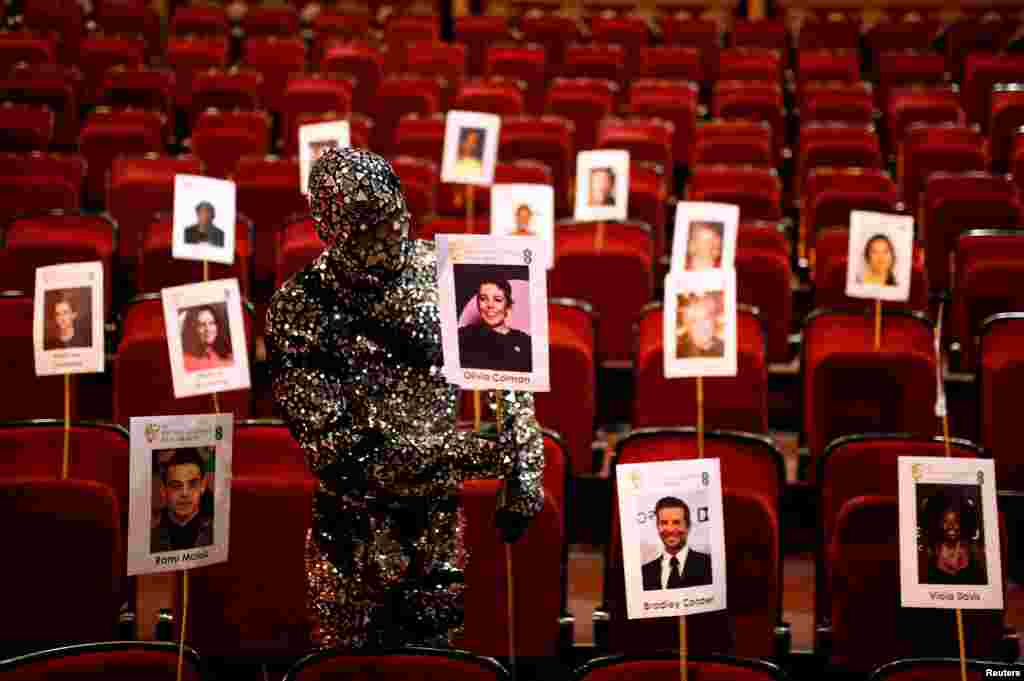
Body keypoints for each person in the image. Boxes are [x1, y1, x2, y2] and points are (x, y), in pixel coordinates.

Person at [265, 148, 544, 649]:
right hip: (350, 534)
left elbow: (510, 373)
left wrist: (525, 464)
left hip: (436, 525)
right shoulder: (299, 307)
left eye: (393, 218)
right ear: (326, 227)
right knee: (351, 666)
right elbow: (344, 453)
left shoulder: (449, 271)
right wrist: (489, 455)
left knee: (434, 666)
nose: (386, 239)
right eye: (367, 226)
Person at [457, 277, 533, 373]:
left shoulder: (525, 343)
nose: (490, 305)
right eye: (483, 299)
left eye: (497, 299)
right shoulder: (462, 336)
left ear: (508, 306)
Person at [151, 448, 214, 553]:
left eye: (193, 484)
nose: (185, 493)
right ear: (163, 490)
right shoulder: (151, 539)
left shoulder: (215, 533)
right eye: (176, 486)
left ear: (203, 486)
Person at [642, 496, 712, 590]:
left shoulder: (709, 565)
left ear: (688, 526)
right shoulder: (645, 572)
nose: (670, 529)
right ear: (657, 527)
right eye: (664, 523)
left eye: (676, 522)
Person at [922, 491, 986, 586]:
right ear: (938, 524)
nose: (951, 526)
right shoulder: (930, 554)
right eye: (945, 521)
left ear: (962, 523)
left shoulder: (973, 552)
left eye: (956, 521)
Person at [181, 305, 233, 372]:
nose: (208, 329)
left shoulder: (224, 357)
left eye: (211, 323)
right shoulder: (185, 360)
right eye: (201, 325)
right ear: (193, 328)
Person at [676, 293, 725, 359]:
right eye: (694, 321)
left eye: (705, 318)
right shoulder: (680, 353)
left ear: (714, 321)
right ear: (688, 327)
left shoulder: (724, 348)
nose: (701, 326)